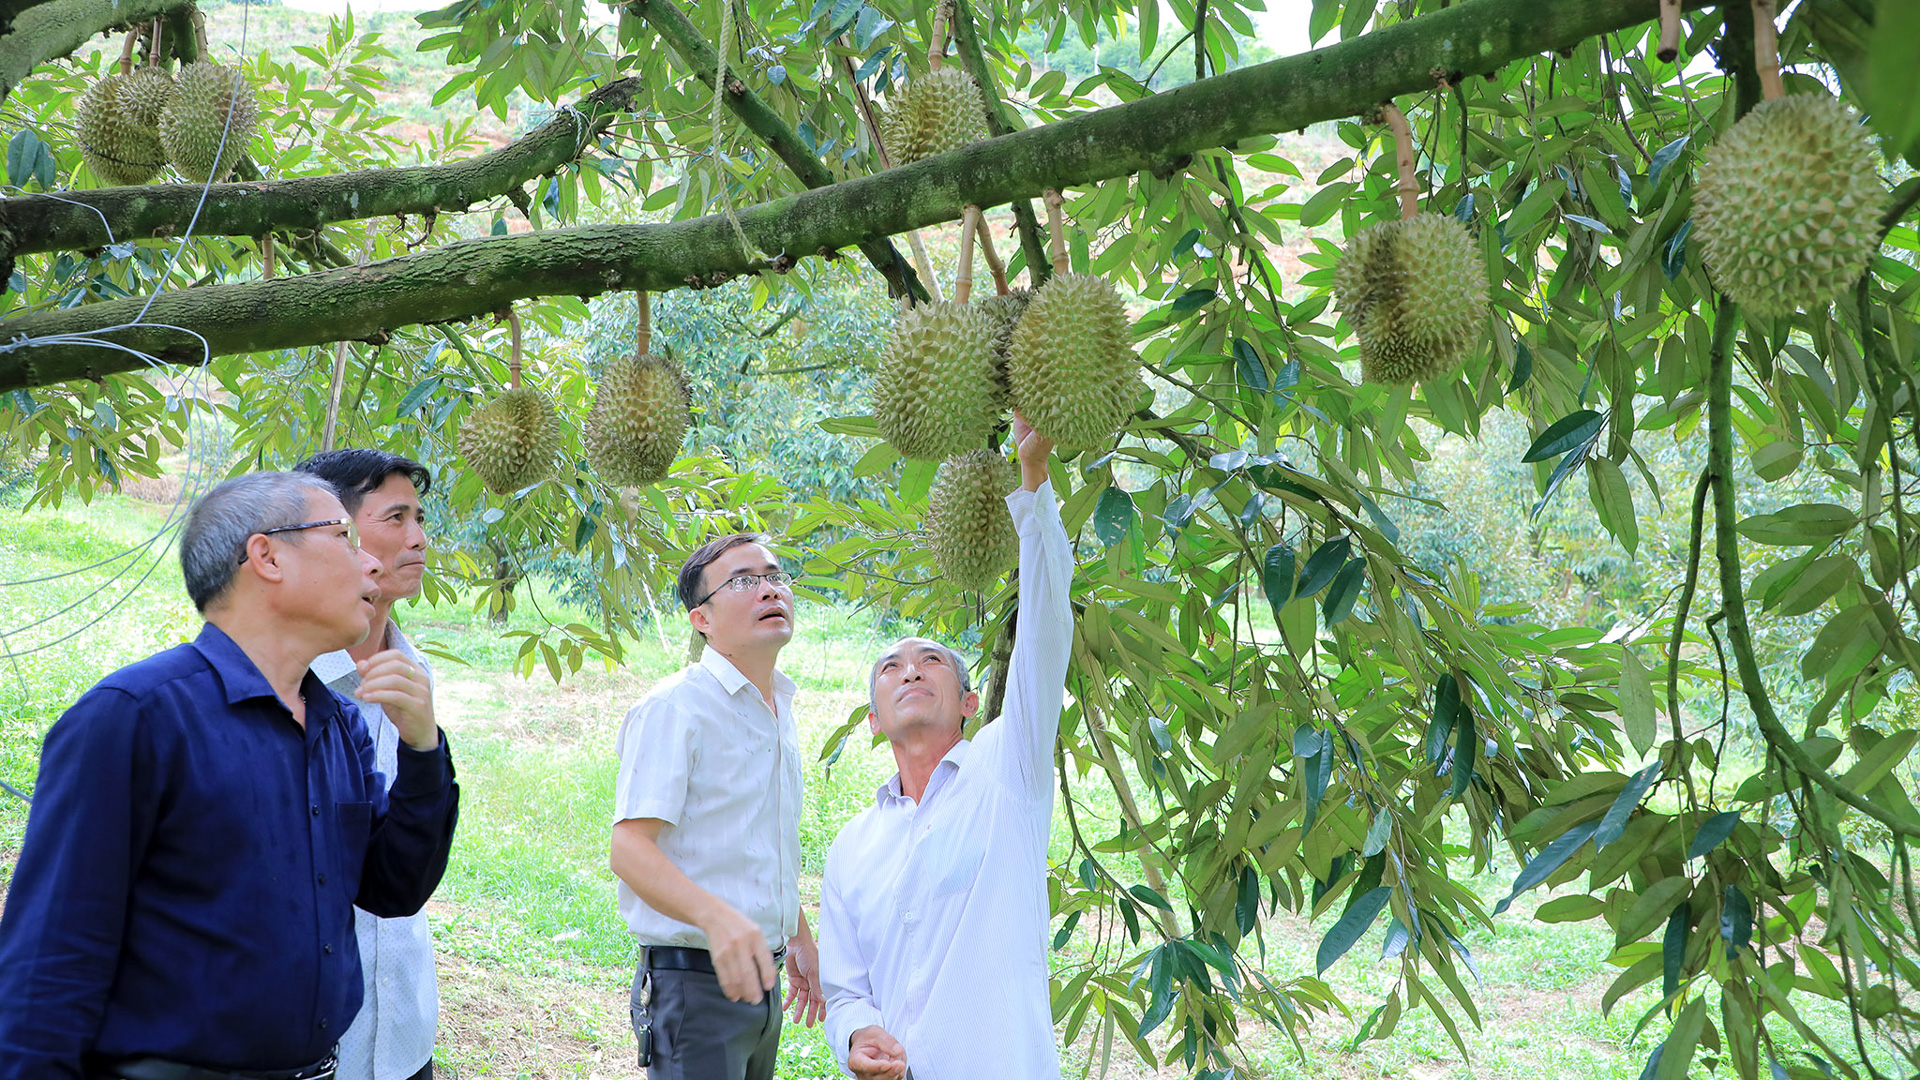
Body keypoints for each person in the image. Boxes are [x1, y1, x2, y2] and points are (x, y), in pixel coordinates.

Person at [0, 471, 460, 1080]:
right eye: (346, 538)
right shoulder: (136, 718)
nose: (370, 565)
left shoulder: (336, 725)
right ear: (266, 555)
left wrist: (423, 750)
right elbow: (50, 964)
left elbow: (395, 887)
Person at [818, 414, 1071, 1080]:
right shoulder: (851, 847)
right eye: (891, 666)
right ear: (873, 721)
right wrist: (854, 1034)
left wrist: (1034, 481)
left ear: (968, 704)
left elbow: (1046, 632)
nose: (910, 669)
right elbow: (845, 991)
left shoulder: (1007, 772)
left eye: (932, 659)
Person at [608, 530, 826, 1080]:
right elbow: (629, 850)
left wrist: (796, 933)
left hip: (763, 977)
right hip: (698, 983)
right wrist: (720, 921)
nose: (769, 589)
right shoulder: (676, 708)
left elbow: (753, 838)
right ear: (701, 619)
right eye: (744, 581)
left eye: (775, 576)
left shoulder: (778, 704)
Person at [297, 449, 442, 1080]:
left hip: (405, 1024)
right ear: (335, 532)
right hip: (310, 1033)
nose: (418, 538)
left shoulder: (415, 672)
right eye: (396, 517)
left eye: (419, 517)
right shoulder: (287, 683)